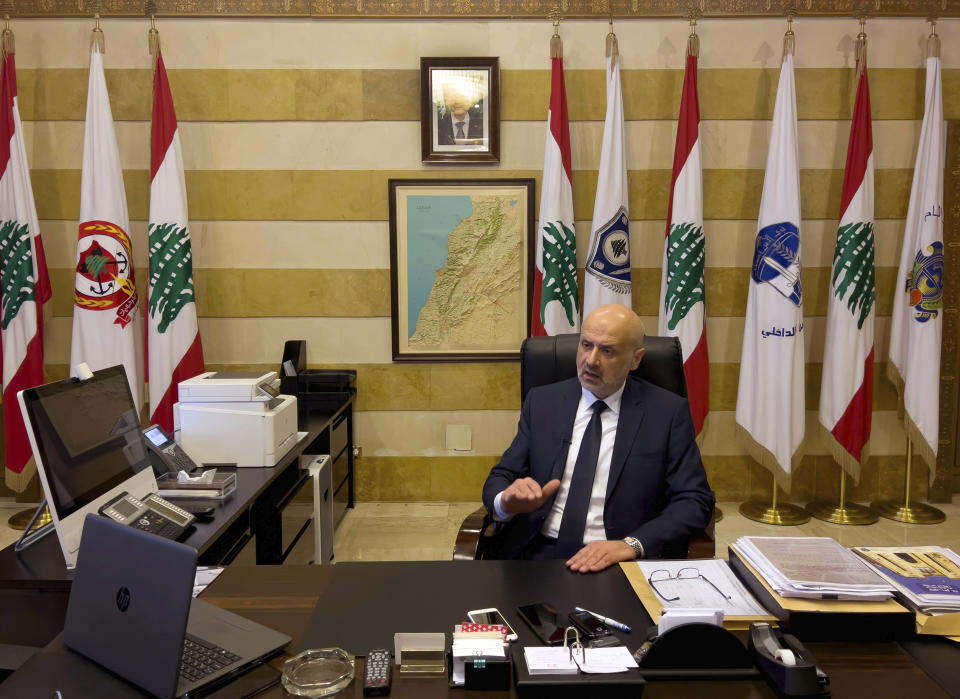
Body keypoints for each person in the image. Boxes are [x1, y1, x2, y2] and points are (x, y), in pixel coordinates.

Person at [481, 304, 715, 573]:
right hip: (538, 553)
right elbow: (502, 475)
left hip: (618, 559)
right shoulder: (544, 401)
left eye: (607, 350)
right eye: (586, 345)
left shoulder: (666, 413)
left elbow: (694, 500)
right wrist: (506, 501)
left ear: (636, 359)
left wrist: (633, 544)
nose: (591, 361)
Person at [436, 80, 484, 145]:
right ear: (445, 100)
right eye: (452, 96)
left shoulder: (484, 126)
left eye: (462, 96)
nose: (458, 101)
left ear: (471, 99)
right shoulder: (437, 128)